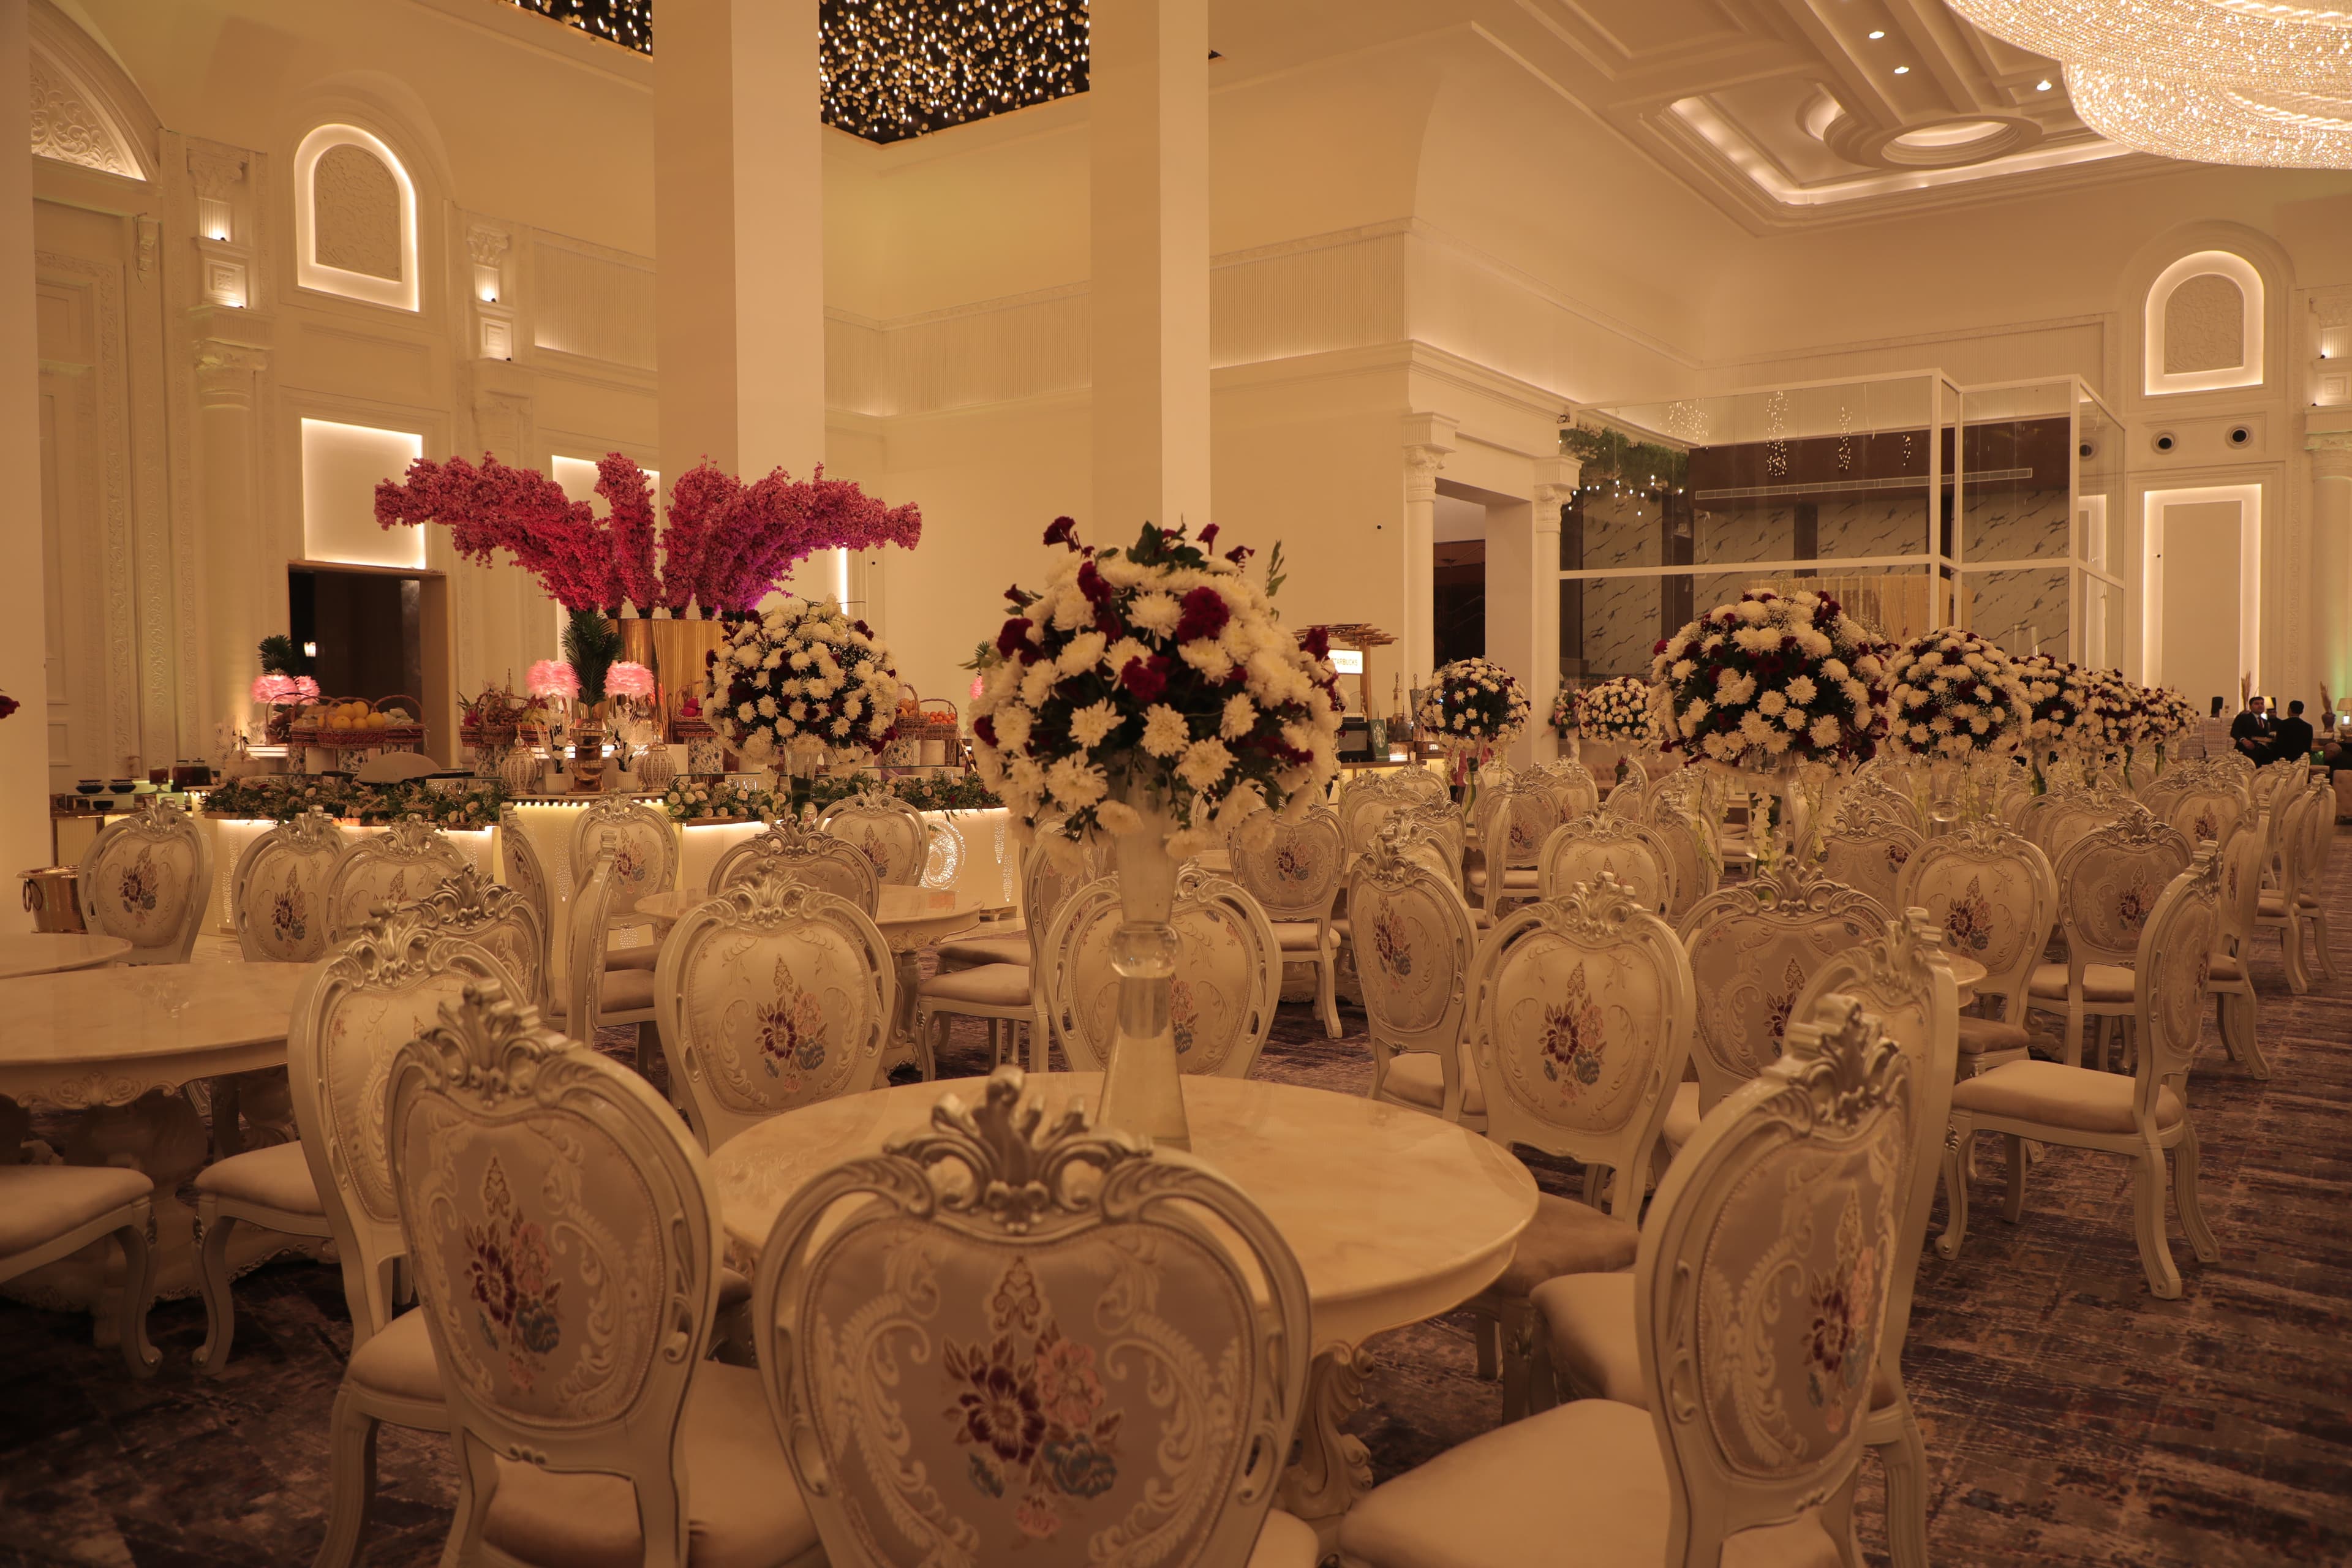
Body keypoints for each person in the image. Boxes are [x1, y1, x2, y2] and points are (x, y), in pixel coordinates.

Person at [2268, 699, 2314, 765]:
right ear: (2302, 711)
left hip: (2284, 760)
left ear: (2289, 710)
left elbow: (2279, 743)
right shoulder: (2308, 727)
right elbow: (2308, 747)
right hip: (2300, 760)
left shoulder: (2282, 724)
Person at [2231, 696, 2272, 761]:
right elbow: (2234, 732)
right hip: (2245, 752)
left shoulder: (2265, 721)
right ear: (2251, 706)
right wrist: (2244, 740)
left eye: (2262, 704)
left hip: (2261, 754)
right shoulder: (2243, 718)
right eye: (2257, 704)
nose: (2260, 706)